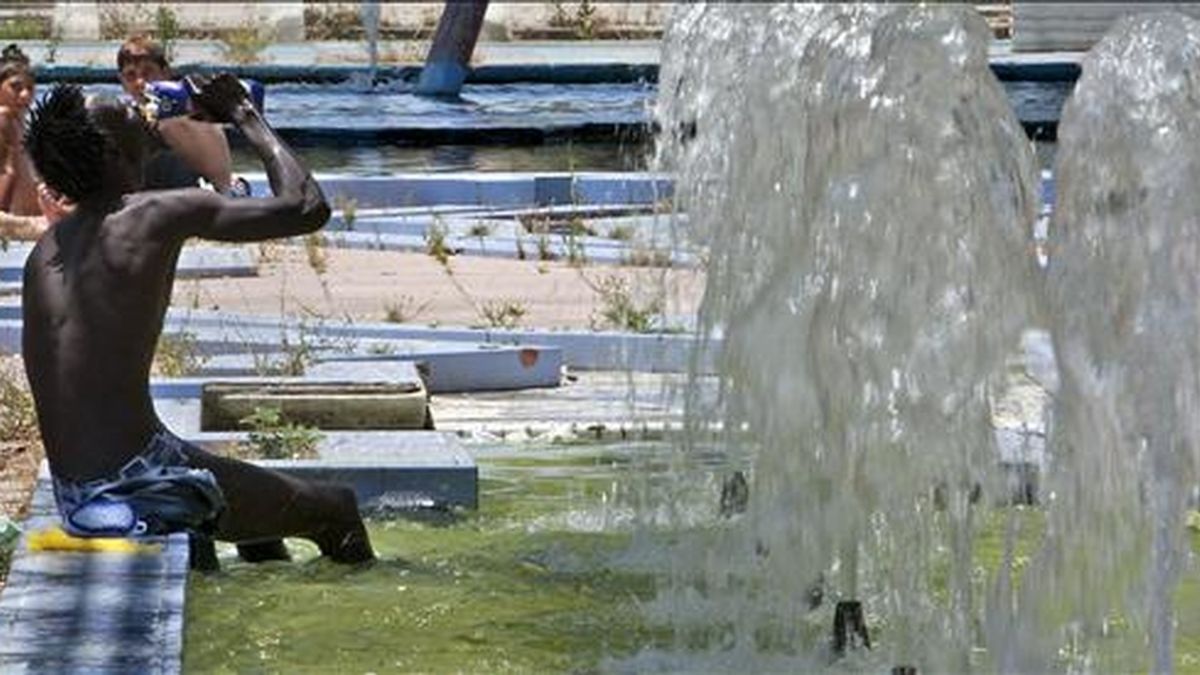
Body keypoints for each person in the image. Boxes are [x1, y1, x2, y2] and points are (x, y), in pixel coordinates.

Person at [20, 75, 373, 563]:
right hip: (141, 482)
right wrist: (245, 114)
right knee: (336, 509)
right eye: (122, 107)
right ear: (108, 149)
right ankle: (365, 621)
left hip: (80, 495)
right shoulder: (154, 214)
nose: (135, 104)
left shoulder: (45, 252)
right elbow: (307, 207)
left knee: (260, 528)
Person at [117, 35, 235, 193]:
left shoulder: (193, 119)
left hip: (186, 208)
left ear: (165, 73)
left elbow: (224, 185)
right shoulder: (121, 122)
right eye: (131, 75)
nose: (140, 82)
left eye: (148, 72)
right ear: (122, 81)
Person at [0, 44, 54, 242]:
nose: (25, 95)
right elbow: (7, 172)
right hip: (14, 228)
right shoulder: (3, 118)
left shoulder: (19, 121)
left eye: (30, 88)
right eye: (15, 87)